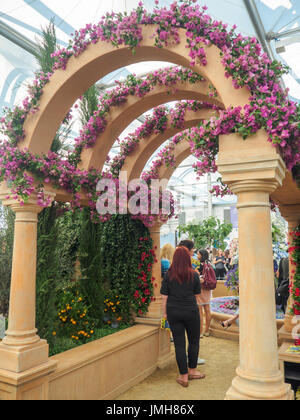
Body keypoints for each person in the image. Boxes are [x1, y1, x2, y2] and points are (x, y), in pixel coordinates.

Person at [160, 246, 206, 387]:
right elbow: (197, 296)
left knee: (179, 344)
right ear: (188, 259)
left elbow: (164, 298)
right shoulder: (193, 275)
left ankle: (183, 376)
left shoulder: (168, 275)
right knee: (193, 341)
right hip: (191, 311)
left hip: (173, 311)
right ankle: (192, 370)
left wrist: (165, 315)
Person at [196, 250, 212, 338]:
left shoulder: (199, 265)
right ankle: (207, 330)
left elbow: (197, 276)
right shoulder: (209, 264)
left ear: (202, 255)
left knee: (200, 311)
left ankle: (200, 332)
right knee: (207, 310)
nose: (197, 255)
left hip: (201, 288)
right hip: (208, 288)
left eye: (198, 254)